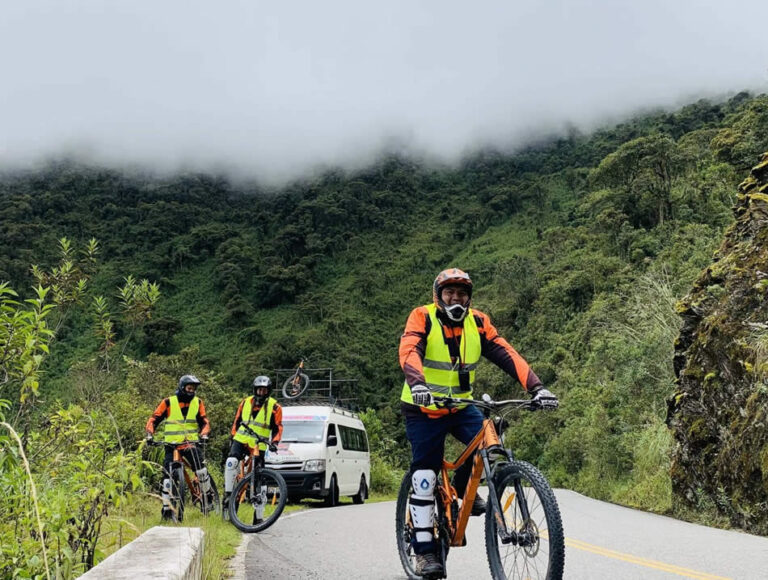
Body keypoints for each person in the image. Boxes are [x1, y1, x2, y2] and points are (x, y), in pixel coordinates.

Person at [399, 268, 558, 577]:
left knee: (489, 435)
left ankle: (463, 495)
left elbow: (506, 354)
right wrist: (418, 384)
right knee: (425, 477)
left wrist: (537, 388)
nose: (456, 298)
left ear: (469, 298)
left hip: (460, 405)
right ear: (438, 295)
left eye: (462, 294)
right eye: (449, 293)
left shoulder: (478, 322)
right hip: (423, 408)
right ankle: (424, 551)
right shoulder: (422, 317)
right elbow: (409, 351)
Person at [145, 374, 214, 518]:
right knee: (167, 477)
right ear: (182, 387)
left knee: (201, 471)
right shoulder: (168, 402)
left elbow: (204, 422)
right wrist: (150, 435)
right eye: (189, 388)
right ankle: (166, 509)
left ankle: (207, 498)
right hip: (171, 445)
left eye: (194, 389)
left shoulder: (198, 402)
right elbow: (154, 419)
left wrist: (204, 434)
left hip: (190, 443)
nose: (191, 391)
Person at [223, 375, 283, 523]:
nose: (261, 393)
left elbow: (278, 428)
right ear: (254, 390)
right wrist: (233, 436)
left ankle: (258, 517)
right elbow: (237, 421)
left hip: (259, 444)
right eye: (258, 390)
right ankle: (229, 494)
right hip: (241, 440)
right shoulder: (245, 402)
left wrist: (274, 442)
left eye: (264, 390)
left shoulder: (275, 407)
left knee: (260, 479)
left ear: (268, 391)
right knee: (231, 462)